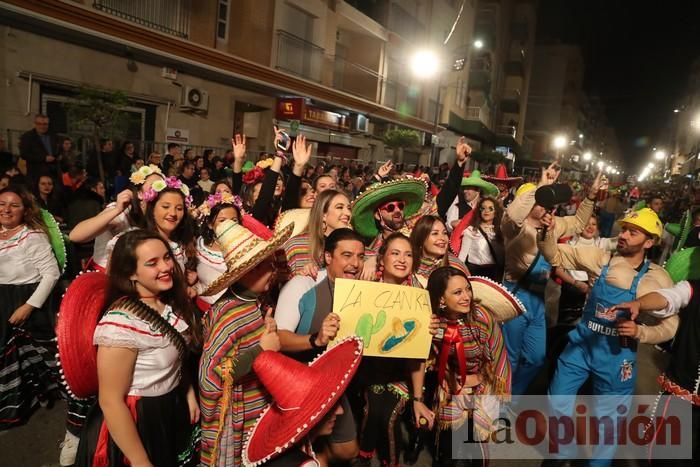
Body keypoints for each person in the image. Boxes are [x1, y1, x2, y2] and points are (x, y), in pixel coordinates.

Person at [538, 207, 678, 465]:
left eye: (632, 232)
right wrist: (547, 231)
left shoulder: (656, 279)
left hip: (616, 358)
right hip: (580, 346)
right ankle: (561, 453)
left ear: (649, 242)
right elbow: (553, 253)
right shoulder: (601, 259)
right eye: (623, 229)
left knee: (608, 422)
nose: (623, 235)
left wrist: (642, 332)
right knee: (557, 398)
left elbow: (671, 325)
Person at [71, 230, 202, 467]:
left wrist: (188, 393)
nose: (166, 266)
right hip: (139, 420)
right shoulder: (120, 326)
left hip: (168, 408)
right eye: (152, 263)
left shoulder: (167, 302)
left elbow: (175, 359)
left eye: (167, 257)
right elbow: (111, 401)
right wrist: (141, 462)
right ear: (131, 272)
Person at [199, 218, 294, 466]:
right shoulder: (229, 313)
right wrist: (261, 350)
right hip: (238, 419)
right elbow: (210, 376)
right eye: (264, 266)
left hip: (256, 407)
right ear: (246, 272)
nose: (273, 271)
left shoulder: (255, 302)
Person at [499, 165, 600, 395]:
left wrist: (591, 195)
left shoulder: (552, 227)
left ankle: (511, 394)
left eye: (549, 203)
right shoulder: (515, 230)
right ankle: (501, 407)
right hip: (515, 298)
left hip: (538, 300)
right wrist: (540, 187)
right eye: (542, 202)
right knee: (510, 358)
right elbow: (512, 215)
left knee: (537, 359)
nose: (548, 207)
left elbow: (578, 222)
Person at [278, 228, 365, 463]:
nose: (355, 263)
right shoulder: (304, 285)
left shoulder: (366, 292)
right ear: (328, 257)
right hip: (301, 385)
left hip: (337, 386)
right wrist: (315, 340)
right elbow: (279, 339)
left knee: (348, 451)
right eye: (347, 255)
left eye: (360, 256)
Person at [607, 248, 700, 466]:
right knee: (665, 455)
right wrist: (640, 303)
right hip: (683, 395)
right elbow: (669, 298)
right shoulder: (693, 289)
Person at [426, 267, 515, 466]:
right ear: (441, 299)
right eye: (458, 292)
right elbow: (430, 357)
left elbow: (498, 358)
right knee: (448, 448)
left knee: (477, 444)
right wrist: (448, 373)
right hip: (450, 382)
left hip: (483, 382)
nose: (466, 296)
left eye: (468, 289)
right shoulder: (433, 322)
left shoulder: (482, 318)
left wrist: (479, 379)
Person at [0, 185, 61, 430]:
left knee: (32, 353)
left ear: (24, 210)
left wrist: (28, 306)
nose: (7, 209)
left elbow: (51, 274)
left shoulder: (32, 236)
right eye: (2, 203)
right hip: (2, 298)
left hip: (26, 297)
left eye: (14, 205)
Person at [68, 164, 165, 271]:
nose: (160, 190)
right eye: (155, 185)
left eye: (162, 186)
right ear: (139, 193)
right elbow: (75, 236)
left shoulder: (158, 215)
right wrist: (117, 210)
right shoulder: (121, 211)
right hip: (105, 275)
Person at [410, 215, 470, 288]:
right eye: (435, 233)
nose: (442, 238)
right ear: (421, 238)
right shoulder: (407, 262)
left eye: (444, 233)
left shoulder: (455, 267)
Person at [457, 196, 505, 281]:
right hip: (475, 273)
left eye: (490, 208)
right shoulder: (471, 231)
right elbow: (462, 256)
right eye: (483, 208)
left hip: (494, 274)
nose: (486, 211)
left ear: (496, 212)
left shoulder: (501, 231)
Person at [19, 113, 59, 183]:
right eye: (39, 123)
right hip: (35, 175)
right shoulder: (27, 137)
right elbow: (24, 154)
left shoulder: (53, 135)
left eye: (45, 124)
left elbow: (56, 150)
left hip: (52, 174)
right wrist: (43, 158)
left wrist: (58, 155)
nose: (42, 126)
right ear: (35, 124)